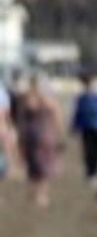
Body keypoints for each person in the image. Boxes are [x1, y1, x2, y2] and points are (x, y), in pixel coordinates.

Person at [14, 74, 64, 208]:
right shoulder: (43, 99)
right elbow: (57, 117)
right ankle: (39, 193)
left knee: (37, 165)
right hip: (42, 135)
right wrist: (59, 134)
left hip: (37, 135)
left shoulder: (30, 99)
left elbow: (21, 119)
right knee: (39, 165)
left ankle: (38, 193)